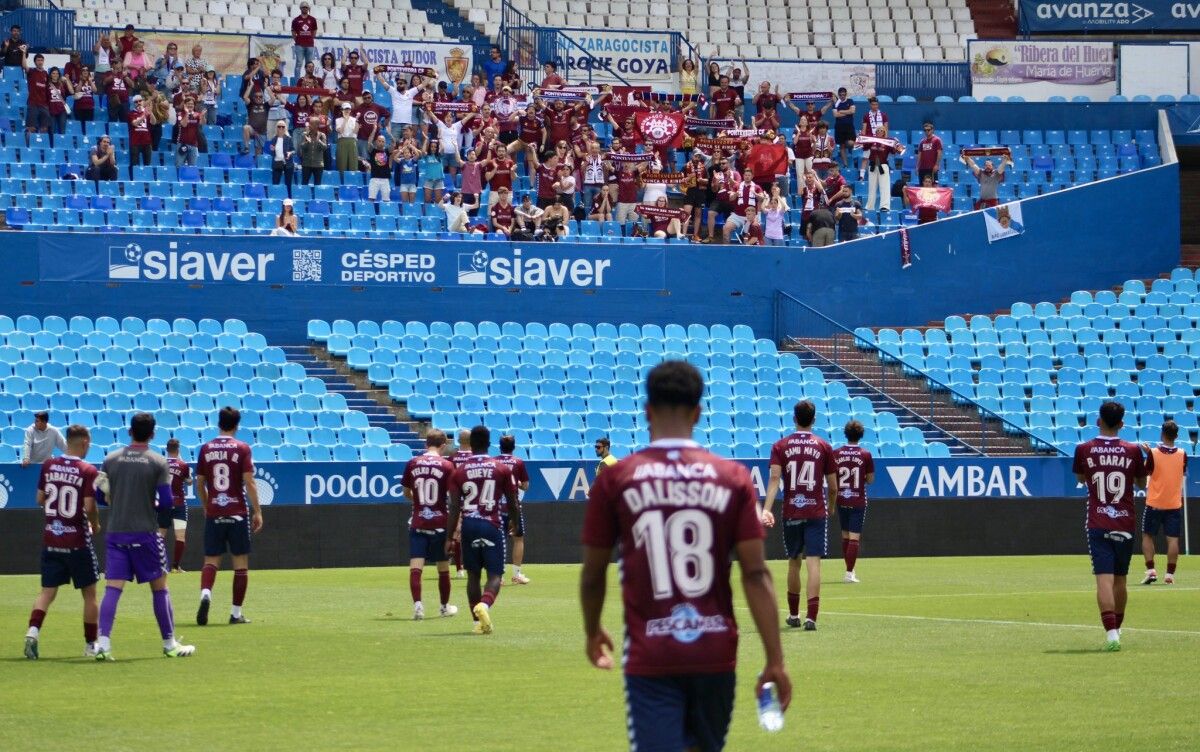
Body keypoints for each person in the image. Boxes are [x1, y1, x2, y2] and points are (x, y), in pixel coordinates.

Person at [580, 360, 791, 752]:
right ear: (698, 412)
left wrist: (593, 631)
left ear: (646, 412)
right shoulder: (733, 478)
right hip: (716, 652)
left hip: (652, 653)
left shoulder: (616, 479)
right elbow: (756, 574)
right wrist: (775, 658)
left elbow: (593, 575)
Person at [92, 412, 195, 660]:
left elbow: (98, 496)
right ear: (152, 434)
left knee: (112, 589)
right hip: (146, 534)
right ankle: (170, 644)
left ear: (129, 431)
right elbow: (167, 501)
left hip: (116, 532)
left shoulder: (111, 459)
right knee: (160, 588)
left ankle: (103, 644)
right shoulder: (158, 462)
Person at [1073, 401, 1151, 651]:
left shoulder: (1083, 449)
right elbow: (1141, 484)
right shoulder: (1132, 450)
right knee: (1121, 580)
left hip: (1097, 521)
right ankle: (1118, 628)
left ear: (1098, 421)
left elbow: (1080, 478)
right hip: (1125, 521)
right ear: (1122, 424)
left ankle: (1111, 635)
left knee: (1103, 581)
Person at [23, 425, 100, 660]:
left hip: (52, 538)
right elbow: (89, 505)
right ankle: (90, 644)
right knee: (89, 594)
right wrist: (95, 524)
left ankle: (32, 632)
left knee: (47, 591)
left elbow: (39, 499)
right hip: (77, 540)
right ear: (85, 442)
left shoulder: (49, 465)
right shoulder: (87, 470)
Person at [761, 399, 838, 630]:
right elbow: (833, 486)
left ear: (794, 419)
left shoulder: (780, 446)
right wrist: (831, 507)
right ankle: (811, 617)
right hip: (816, 511)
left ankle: (794, 615)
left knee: (794, 563)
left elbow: (775, 479)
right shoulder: (824, 446)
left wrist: (766, 508)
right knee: (814, 564)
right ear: (813, 420)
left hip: (791, 510)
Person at [445, 426, 519, 634]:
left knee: (473, 576)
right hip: (492, 524)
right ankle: (484, 606)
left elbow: (453, 507)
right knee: (495, 575)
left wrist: (450, 536)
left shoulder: (458, 471)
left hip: (468, 525)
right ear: (488, 443)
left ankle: (477, 623)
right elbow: (512, 501)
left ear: (471, 444)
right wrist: (515, 522)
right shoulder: (501, 468)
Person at [195, 407, 262, 627]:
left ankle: (206, 592)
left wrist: (207, 505)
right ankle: (235, 613)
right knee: (240, 563)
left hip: (215, 511)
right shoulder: (242, 448)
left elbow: (200, 484)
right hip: (237, 512)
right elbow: (250, 482)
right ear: (236, 425)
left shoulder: (206, 449)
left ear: (218, 423)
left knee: (211, 560)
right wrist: (258, 511)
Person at [400, 429, 459, 621]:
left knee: (416, 566)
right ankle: (444, 607)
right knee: (443, 568)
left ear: (426, 444)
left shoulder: (413, 463)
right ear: (443, 445)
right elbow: (455, 496)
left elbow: (406, 492)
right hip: (440, 522)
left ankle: (418, 606)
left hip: (418, 521)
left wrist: (418, 501)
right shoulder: (447, 465)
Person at [1140, 420, 1186, 585]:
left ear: (1162, 434)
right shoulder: (1182, 453)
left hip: (1154, 503)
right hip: (1173, 504)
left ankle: (1151, 571)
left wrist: (1148, 454)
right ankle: (1169, 575)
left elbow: (1147, 470)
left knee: (1147, 535)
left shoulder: (1153, 453)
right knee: (1172, 540)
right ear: (1177, 435)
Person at [833, 420, 875, 583]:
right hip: (857, 499)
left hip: (841, 498)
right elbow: (870, 479)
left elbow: (832, 476)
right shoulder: (865, 454)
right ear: (861, 435)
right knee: (854, 538)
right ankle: (849, 573)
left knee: (845, 536)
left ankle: (850, 570)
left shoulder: (836, 453)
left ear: (846, 434)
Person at [495, 435, 531, 585]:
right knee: (518, 539)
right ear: (514, 447)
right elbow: (526, 486)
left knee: (498, 541)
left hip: (496, 508)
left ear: (499, 446)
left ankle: (499, 576)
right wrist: (517, 484)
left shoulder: (494, 462)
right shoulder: (518, 462)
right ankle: (516, 574)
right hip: (513, 508)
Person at [155, 438, 192, 574]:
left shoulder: (161, 464)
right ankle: (176, 567)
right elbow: (189, 482)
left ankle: (159, 566)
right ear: (178, 449)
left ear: (166, 449)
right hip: (179, 504)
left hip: (164, 503)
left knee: (160, 535)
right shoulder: (183, 465)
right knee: (180, 536)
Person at [24, 51, 50, 139]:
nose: (40, 62)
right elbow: (24, 66)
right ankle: (29, 146)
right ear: (35, 62)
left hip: (44, 105)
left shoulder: (46, 74)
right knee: (31, 128)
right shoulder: (31, 71)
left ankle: (41, 145)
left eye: (42, 60)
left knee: (44, 128)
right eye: (38, 60)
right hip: (33, 104)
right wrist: (24, 53)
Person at [291, 2, 319, 81]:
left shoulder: (312, 19)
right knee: (299, 63)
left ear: (308, 8)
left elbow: (314, 30)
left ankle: (309, 80)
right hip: (299, 45)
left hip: (310, 45)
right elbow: (293, 32)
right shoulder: (296, 20)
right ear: (300, 8)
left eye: (306, 7)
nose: (305, 8)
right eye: (303, 7)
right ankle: (297, 81)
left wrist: (310, 38)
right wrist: (297, 40)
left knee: (309, 64)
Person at [268, 121, 295, 198]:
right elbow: (272, 153)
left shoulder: (289, 139)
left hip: (288, 164)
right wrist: (272, 150)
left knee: (288, 183)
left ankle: (289, 199)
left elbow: (294, 150)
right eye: (279, 126)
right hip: (277, 163)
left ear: (285, 128)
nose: (281, 128)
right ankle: (274, 198)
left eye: (283, 127)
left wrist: (290, 153)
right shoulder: (274, 139)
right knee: (275, 183)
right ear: (276, 128)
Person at [831, 88, 856, 166]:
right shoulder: (836, 104)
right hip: (839, 128)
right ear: (838, 95)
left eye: (844, 94)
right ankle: (845, 164)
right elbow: (835, 115)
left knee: (850, 143)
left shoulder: (850, 101)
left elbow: (852, 111)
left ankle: (849, 148)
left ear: (846, 94)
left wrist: (841, 111)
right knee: (842, 146)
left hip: (849, 127)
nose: (842, 96)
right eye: (841, 95)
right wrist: (847, 112)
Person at [363, 134, 392, 202]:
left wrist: (391, 136)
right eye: (379, 141)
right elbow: (369, 143)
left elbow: (393, 145)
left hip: (385, 179)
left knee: (386, 200)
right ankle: (370, 212)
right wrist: (373, 131)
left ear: (385, 143)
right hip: (374, 179)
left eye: (383, 141)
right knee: (371, 199)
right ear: (376, 141)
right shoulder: (373, 151)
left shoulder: (387, 151)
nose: (381, 143)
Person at [299, 121, 326, 186]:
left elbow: (324, 147)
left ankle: (317, 196)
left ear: (317, 125)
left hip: (318, 165)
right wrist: (307, 142)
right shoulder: (305, 135)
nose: (311, 126)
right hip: (306, 164)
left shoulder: (322, 135)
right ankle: (304, 196)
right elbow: (302, 146)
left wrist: (318, 141)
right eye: (311, 124)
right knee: (304, 184)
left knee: (317, 185)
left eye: (313, 124)